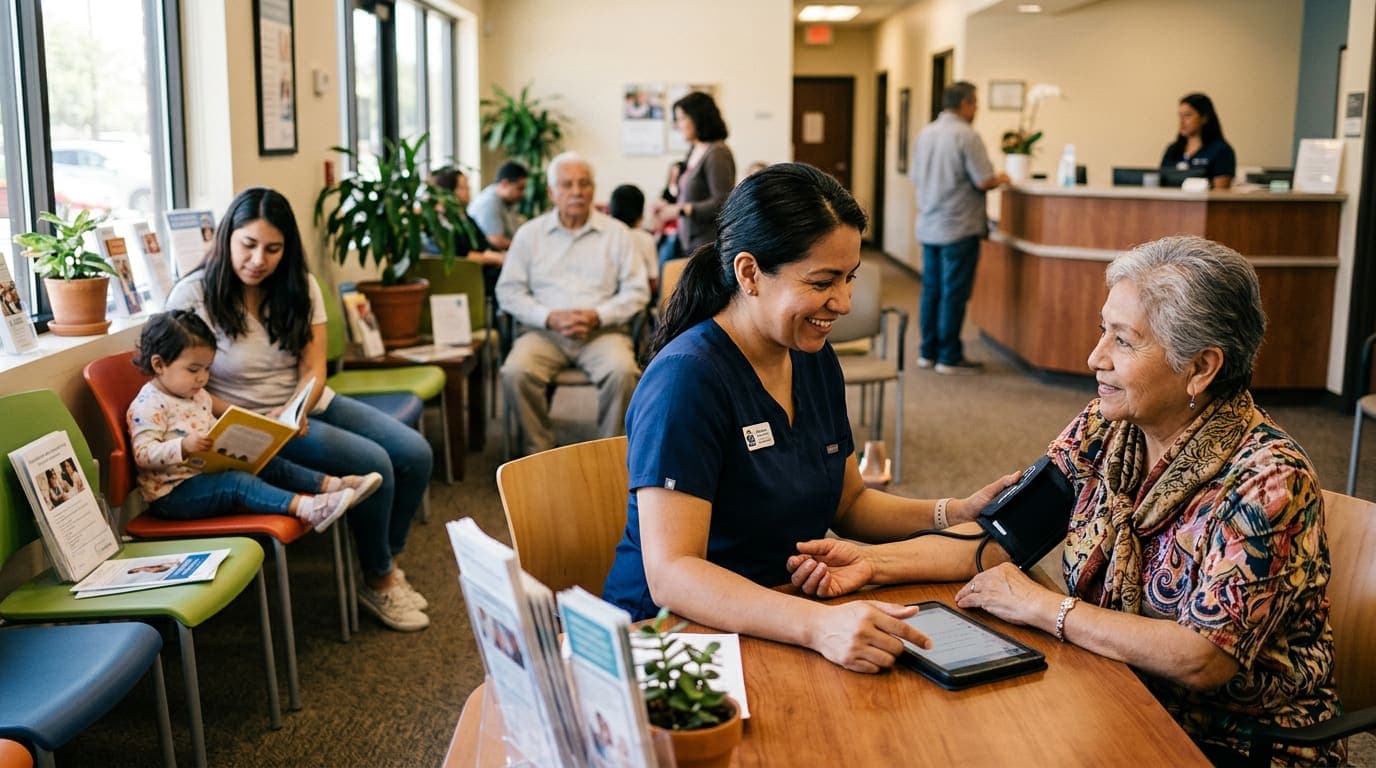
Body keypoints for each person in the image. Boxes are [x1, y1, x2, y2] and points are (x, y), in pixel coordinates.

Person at [787, 235, 1343, 765]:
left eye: (1123, 341)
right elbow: (1004, 536)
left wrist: (1044, 607)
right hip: (1111, 687)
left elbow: (1201, 658)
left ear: (1201, 367)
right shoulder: (1108, 427)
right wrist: (873, 562)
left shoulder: (1268, 481)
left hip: (1230, 742)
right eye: (1103, 332)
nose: (1093, 358)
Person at [601, 163, 1015, 673]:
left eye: (850, 278)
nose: (842, 302)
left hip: (778, 611)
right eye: (823, 281)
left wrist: (953, 511)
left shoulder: (811, 355)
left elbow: (850, 503)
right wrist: (817, 626)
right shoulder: (687, 380)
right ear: (749, 273)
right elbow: (673, 573)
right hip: (677, 634)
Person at [166, 187, 434, 632]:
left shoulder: (299, 285)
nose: (258, 260)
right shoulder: (192, 295)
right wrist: (252, 419)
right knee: (375, 464)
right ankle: (379, 578)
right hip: (238, 424)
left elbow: (314, 368)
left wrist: (295, 408)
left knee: (415, 454)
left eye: (272, 249)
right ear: (227, 237)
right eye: (248, 245)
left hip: (301, 407)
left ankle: (384, 557)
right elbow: (183, 385)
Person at [127, 310, 374, 532]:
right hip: (174, 495)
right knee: (238, 483)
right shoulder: (148, 405)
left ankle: (332, 485)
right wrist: (183, 446)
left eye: (207, 369)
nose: (202, 378)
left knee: (268, 461)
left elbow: (223, 422)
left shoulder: (195, 394)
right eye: (193, 370)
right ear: (158, 364)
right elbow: (142, 454)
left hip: (206, 475)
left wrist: (260, 427)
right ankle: (309, 508)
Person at [496, 153, 649, 455]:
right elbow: (509, 291)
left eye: (584, 184)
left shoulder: (617, 234)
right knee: (516, 371)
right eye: (567, 185)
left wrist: (598, 315)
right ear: (552, 192)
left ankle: (611, 456)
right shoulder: (530, 235)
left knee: (623, 372)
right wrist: (548, 317)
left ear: (594, 189)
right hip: (544, 333)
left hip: (602, 333)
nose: (577, 192)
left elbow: (637, 290)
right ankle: (538, 454)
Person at [910, 80, 1009, 375]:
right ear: (965, 103)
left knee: (931, 290)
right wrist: (1002, 177)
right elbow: (983, 179)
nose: (976, 109)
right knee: (953, 292)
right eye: (975, 103)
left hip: (929, 224)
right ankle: (948, 356)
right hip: (958, 226)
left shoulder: (925, 133)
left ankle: (927, 352)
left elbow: (916, 176)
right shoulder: (967, 135)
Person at [658, 92, 735, 259]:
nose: (678, 125)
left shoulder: (717, 152)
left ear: (697, 118)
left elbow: (722, 202)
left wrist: (682, 210)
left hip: (706, 244)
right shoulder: (694, 150)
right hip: (687, 241)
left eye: (681, 118)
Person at [1161, 92, 1236, 190]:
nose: (1182, 121)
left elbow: (1220, 193)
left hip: (1202, 204)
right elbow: (1160, 182)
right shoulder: (1172, 149)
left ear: (1204, 118)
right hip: (1171, 204)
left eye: (1187, 115)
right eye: (1180, 116)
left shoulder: (1221, 151)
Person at [608, 184, 658, 296]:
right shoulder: (646, 239)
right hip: (637, 301)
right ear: (640, 212)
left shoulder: (608, 237)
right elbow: (653, 281)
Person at [468, 160, 530, 250]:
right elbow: (496, 241)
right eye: (520, 188)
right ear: (505, 184)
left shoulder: (507, 202)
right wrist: (526, 246)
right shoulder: (489, 203)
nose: (523, 193)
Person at [650, 160, 687, 269]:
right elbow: (657, 217)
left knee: (671, 241)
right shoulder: (665, 192)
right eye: (672, 175)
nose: (674, 179)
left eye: (677, 175)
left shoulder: (685, 194)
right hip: (664, 233)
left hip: (678, 233)